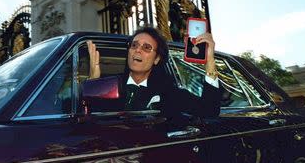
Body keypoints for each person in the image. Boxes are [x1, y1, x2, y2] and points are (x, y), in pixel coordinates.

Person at [86, 27, 222, 118]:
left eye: (146, 47)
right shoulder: (109, 86)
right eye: (134, 45)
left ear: (156, 59)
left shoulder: (168, 93)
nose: (137, 50)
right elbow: (87, 117)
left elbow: (209, 111)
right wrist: (93, 82)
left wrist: (209, 61)